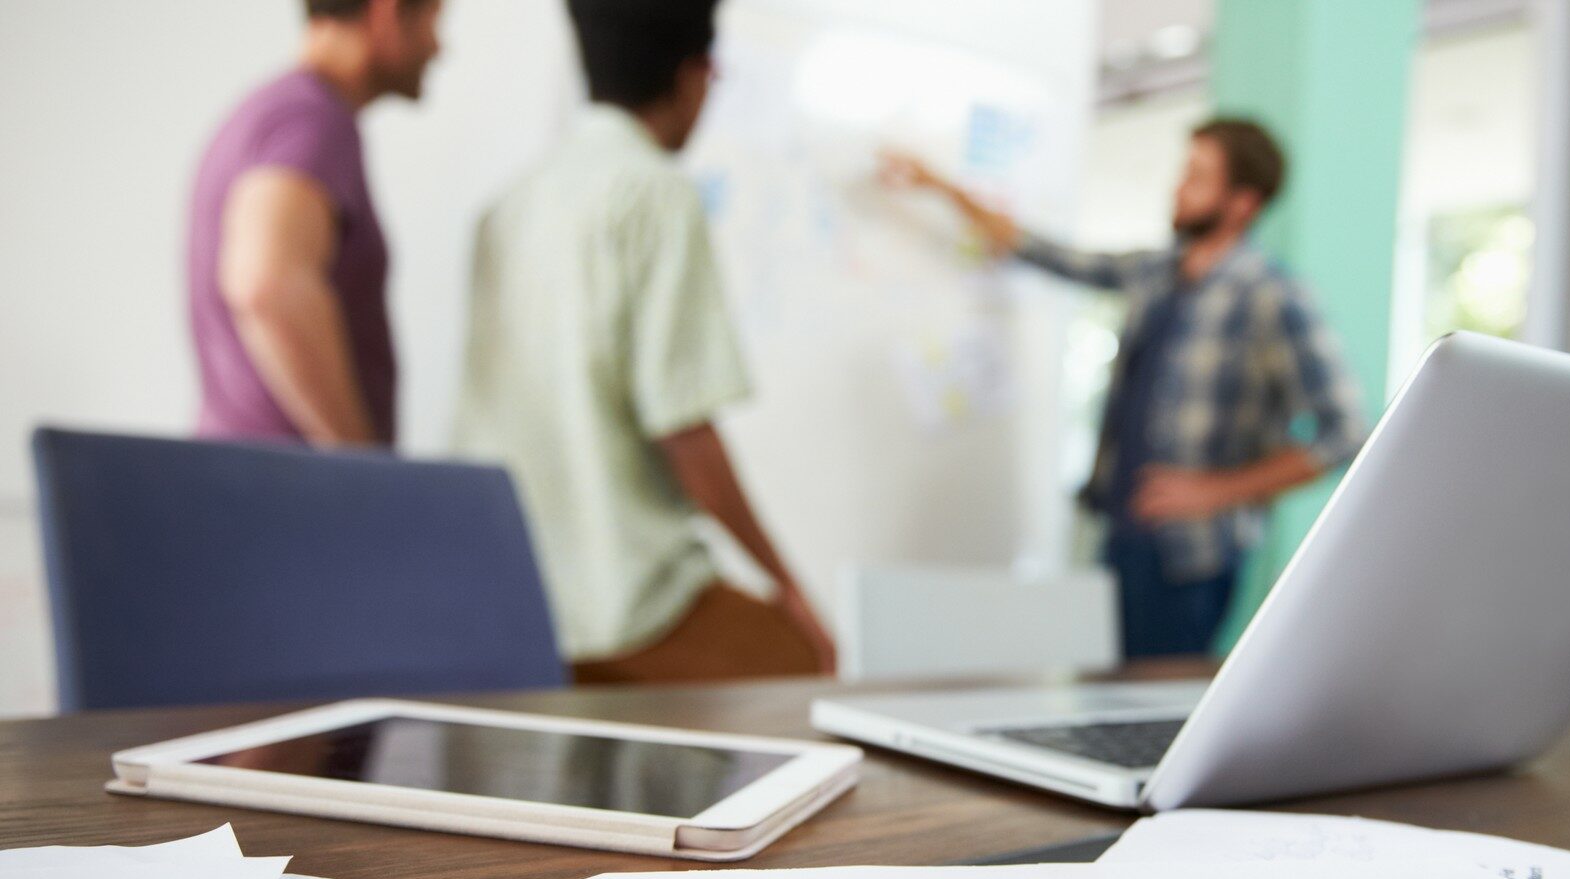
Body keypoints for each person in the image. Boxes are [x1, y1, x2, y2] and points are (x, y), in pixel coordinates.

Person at [450, 0, 835, 683]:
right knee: (807, 663)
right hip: (624, 607)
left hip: (501, 600)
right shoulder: (655, 193)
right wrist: (788, 585)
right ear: (693, 76)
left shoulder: (507, 205)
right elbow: (682, 424)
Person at [881, 120, 1367, 659]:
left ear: (1242, 203)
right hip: (1119, 534)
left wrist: (1216, 490)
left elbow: (1344, 432)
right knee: (1102, 702)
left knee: (1157, 714)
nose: (1177, 188)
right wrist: (940, 186)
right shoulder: (1155, 272)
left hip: (1193, 554)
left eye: (1197, 177)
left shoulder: (1274, 296)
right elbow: (1042, 251)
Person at [187, 0, 443, 447]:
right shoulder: (311, 119)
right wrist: (360, 463)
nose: (438, 48)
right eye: (431, 22)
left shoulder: (272, 113)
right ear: (385, 13)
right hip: (285, 491)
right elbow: (267, 285)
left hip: (253, 479)